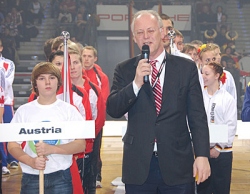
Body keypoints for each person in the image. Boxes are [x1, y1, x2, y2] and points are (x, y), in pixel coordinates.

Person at [106, 10, 210, 193]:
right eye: (140, 32)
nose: (145, 37)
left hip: (177, 164)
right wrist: (136, 84)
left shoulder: (186, 68)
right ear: (134, 38)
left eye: (150, 30)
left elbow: (197, 117)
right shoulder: (124, 69)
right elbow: (113, 109)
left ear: (162, 33)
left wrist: (202, 155)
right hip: (138, 166)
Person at [8, 62, 86, 194]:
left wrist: (53, 149)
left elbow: (80, 144)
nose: (47, 82)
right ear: (35, 84)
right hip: (31, 177)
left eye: (52, 77)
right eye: (42, 78)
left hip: (61, 177)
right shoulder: (24, 111)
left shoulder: (69, 111)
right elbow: (12, 145)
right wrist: (31, 161)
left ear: (58, 82)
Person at [69, 48, 105, 193]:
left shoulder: (94, 89)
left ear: (82, 63)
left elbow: (99, 119)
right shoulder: (57, 89)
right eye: (69, 63)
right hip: (63, 149)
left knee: (88, 185)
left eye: (76, 62)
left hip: (88, 146)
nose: (72, 67)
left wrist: (86, 140)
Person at [198, 62, 237, 194]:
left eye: (207, 74)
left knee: (221, 188)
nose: (203, 76)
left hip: (223, 153)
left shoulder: (227, 99)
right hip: (202, 152)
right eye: (202, 73)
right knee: (203, 188)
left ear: (217, 75)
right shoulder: (199, 97)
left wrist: (218, 147)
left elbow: (231, 125)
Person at [81, 45, 110, 188]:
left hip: (95, 122)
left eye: (89, 56)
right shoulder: (75, 74)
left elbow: (103, 101)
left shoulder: (101, 77)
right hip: (80, 122)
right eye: (84, 56)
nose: (86, 59)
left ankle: (96, 176)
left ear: (95, 58)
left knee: (95, 151)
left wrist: (97, 124)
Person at [0, 38, 18, 175]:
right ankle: (3, 161)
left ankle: (13, 158)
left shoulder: (8, 63)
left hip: (5, 101)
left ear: (1, 48)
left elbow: (7, 82)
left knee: (8, 130)